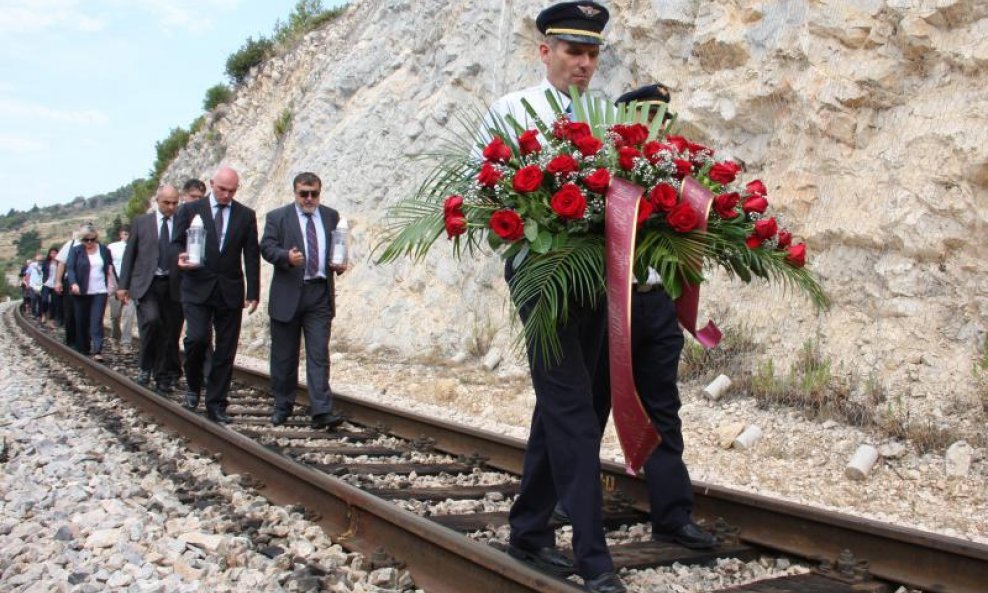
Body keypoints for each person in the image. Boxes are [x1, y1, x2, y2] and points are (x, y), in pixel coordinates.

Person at [484, 4, 625, 593]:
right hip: (539, 275)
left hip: (593, 274)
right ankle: (594, 559)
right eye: (574, 51)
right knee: (572, 405)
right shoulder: (511, 112)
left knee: (572, 400)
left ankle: (529, 528)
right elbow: (486, 199)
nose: (585, 63)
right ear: (546, 52)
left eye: (593, 53)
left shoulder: (610, 116)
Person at [590, 84, 718, 550]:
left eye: (662, 119)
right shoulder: (600, 172)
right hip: (610, 305)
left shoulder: (678, 176)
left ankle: (672, 515)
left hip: (658, 304)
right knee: (593, 404)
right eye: (646, 117)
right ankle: (572, 499)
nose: (656, 128)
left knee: (663, 407)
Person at [172, 166, 260, 424]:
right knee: (197, 339)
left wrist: (253, 291)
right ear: (212, 184)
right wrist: (178, 258)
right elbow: (175, 243)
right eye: (222, 189)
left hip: (230, 290)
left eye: (231, 191)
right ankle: (193, 385)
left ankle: (216, 403)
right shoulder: (189, 211)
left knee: (226, 348)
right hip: (196, 285)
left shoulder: (245, 215)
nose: (226, 195)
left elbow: (251, 254)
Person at [260, 172, 347, 430]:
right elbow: (266, 246)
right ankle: (282, 405)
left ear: (320, 192)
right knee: (284, 355)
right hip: (287, 293)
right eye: (304, 194)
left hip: (319, 294)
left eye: (314, 194)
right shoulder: (278, 217)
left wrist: (339, 264)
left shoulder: (331, 216)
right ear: (295, 192)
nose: (309, 199)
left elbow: (337, 248)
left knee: (319, 353)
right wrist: (286, 256)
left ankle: (321, 410)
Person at [117, 186, 184, 394]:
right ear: (157, 200)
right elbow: (130, 254)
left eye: (175, 203)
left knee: (169, 331)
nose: (171, 207)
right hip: (147, 284)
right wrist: (123, 286)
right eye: (167, 203)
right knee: (152, 321)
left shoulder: (183, 222)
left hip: (173, 283)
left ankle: (161, 376)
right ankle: (146, 366)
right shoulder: (142, 222)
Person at [65, 223, 115, 361]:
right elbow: (70, 269)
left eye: (92, 239)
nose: (89, 243)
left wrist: (114, 285)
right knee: (81, 321)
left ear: (96, 238)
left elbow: (110, 268)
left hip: (100, 291)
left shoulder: (104, 250)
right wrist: (73, 283)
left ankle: (97, 350)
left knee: (96, 321)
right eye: (86, 240)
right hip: (81, 291)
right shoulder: (76, 251)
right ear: (81, 240)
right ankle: (83, 348)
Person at [108, 226, 138, 348]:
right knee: (115, 315)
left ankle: (126, 343)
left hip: (131, 285)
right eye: (125, 234)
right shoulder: (112, 247)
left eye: (129, 234)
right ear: (121, 234)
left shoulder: (138, 248)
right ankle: (115, 336)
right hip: (115, 283)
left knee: (129, 314)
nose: (127, 237)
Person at [55, 229, 83, 348]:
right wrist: (58, 281)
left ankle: (83, 340)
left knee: (84, 312)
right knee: (70, 311)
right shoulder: (70, 244)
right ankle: (71, 340)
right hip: (70, 281)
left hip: (87, 282)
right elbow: (61, 263)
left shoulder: (94, 245)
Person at [41, 247, 61, 328]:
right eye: (52, 253)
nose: (53, 254)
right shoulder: (46, 262)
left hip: (55, 285)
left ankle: (51, 320)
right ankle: (43, 314)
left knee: (54, 302)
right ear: (49, 254)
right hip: (47, 283)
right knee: (44, 300)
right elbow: (43, 270)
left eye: (55, 253)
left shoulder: (60, 262)